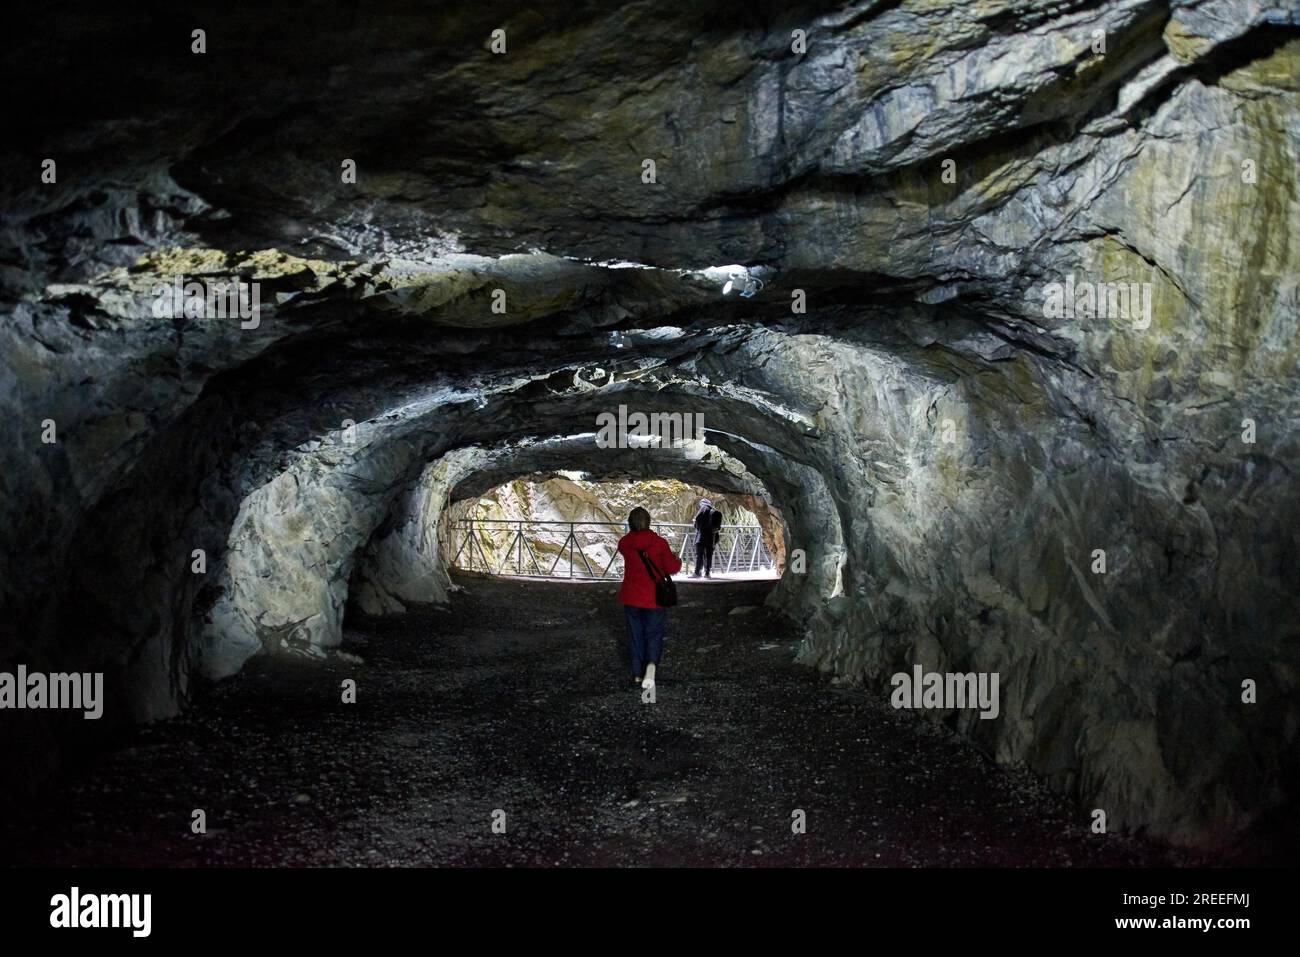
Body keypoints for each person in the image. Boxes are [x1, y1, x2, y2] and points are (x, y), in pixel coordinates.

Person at [616, 506, 682, 690]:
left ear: (629, 524)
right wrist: (678, 561)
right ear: (649, 522)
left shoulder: (624, 543)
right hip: (654, 597)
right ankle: (650, 674)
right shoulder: (659, 543)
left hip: (631, 597)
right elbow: (671, 568)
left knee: (635, 636)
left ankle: (637, 674)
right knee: (653, 635)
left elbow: (626, 551)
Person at [691, 498, 722, 578]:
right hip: (711, 537)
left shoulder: (703, 508)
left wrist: (695, 524)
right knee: (709, 555)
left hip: (701, 536)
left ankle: (697, 572)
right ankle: (707, 573)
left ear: (702, 503)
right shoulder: (714, 510)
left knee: (699, 554)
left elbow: (697, 520)